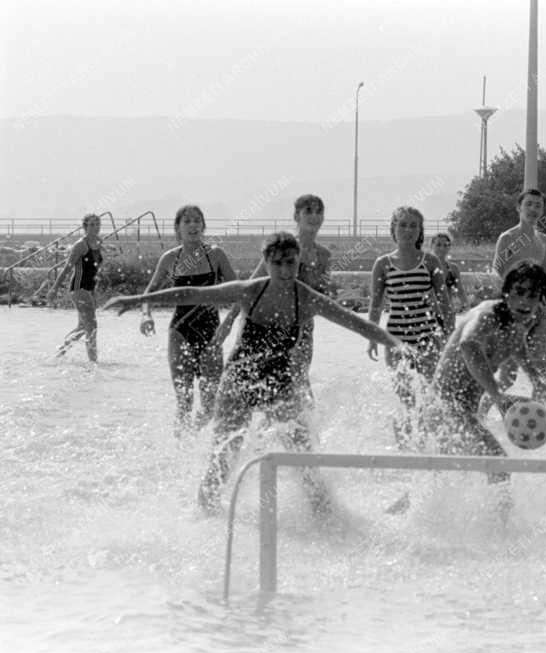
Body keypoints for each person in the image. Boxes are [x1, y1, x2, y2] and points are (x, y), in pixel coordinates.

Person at [104, 232, 406, 514]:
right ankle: (206, 516)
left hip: (279, 382)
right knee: (224, 457)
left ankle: (325, 517)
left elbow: (354, 322)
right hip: (239, 380)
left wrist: (396, 343)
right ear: (267, 263)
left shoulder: (307, 298)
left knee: (303, 456)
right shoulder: (251, 291)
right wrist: (136, 301)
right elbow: (193, 292)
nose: (285, 270)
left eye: (291, 262)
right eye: (278, 264)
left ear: (298, 261)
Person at [431, 260, 546, 480]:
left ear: (540, 302)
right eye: (519, 292)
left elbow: (524, 359)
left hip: (464, 413)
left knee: (443, 479)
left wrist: (538, 384)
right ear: (506, 293)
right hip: (444, 407)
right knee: (499, 466)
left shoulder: (516, 329)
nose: (525, 301)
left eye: (533, 296)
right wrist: (497, 395)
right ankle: (503, 516)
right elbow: (468, 345)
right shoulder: (487, 314)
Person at [214, 194, 335, 397]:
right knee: (249, 380)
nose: (314, 216)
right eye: (309, 211)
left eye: (319, 212)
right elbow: (249, 287)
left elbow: (322, 295)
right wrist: (228, 321)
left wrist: (331, 292)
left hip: (302, 328)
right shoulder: (282, 248)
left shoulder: (324, 256)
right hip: (265, 323)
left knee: (299, 383)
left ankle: (297, 426)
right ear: (296, 215)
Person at [138, 205, 236, 433]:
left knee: (211, 404)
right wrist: (145, 316)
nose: (193, 225)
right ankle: (180, 450)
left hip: (212, 333)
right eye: (187, 221)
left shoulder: (216, 255)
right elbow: (148, 294)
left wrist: (228, 326)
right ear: (178, 228)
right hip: (180, 333)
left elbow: (239, 294)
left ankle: (194, 438)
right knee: (184, 402)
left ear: (203, 226)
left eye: (197, 221)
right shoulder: (170, 259)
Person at [367, 206, 452, 446]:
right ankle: (403, 448)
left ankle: (425, 445)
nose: (408, 230)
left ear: (420, 231)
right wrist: (372, 337)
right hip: (395, 339)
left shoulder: (431, 260)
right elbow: (375, 304)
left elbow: (445, 302)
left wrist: (449, 336)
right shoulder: (383, 264)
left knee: (428, 396)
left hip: (427, 337)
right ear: (393, 228)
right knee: (404, 398)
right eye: (403, 224)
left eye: (413, 225)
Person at [482, 189, 546, 414]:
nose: (534, 209)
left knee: (541, 375)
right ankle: (481, 411)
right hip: (513, 313)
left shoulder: (543, 240)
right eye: (529, 204)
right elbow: (495, 271)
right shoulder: (508, 238)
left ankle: (537, 418)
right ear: (519, 208)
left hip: (538, 313)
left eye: (538, 205)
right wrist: (505, 302)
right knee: (508, 377)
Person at [47, 213, 104, 362]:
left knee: (83, 327)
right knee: (92, 325)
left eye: (97, 224)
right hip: (79, 289)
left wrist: (95, 288)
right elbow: (67, 268)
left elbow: (95, 267)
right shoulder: (80, 245)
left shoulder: (98, 242)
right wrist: (54, 288)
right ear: (85, 227)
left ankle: (59, 353)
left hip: (90, 289)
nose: (95, 227)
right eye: (91, 224)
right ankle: (93, 363)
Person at [430, 232, 466, 331]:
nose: (442, 248)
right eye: (438, 245)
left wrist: (469, 311)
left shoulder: (453, 268)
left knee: (449, 344)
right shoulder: (425, 266)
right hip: (429, 313)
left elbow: (460, 291)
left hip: (448, 313)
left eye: (446, 245)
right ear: (431, 246)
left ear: (449, 247)